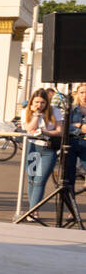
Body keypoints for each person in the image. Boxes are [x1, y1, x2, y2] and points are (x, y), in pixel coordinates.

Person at [23, 88, 60, 221]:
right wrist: (36, 115)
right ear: (32, 102)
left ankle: (33, 211)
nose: (39, 105)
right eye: (37, 102)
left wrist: (45, 132)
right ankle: (32, 208)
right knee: (32, 179)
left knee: (39, 180)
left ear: (47, 103)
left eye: (43, 103)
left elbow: (59, 131)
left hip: (48, 149)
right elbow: (28, 129)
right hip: (33, 148)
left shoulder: (54, 111)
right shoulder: (27, 112)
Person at [64, 83, 86, 200]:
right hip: (72, 143)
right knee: (69, 178)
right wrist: (79, 127)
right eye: (82, 92)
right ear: (77, 94)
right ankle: (72, 209)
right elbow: (65, 125)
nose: (84, 95)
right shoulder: (72, 108)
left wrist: (76, 126)